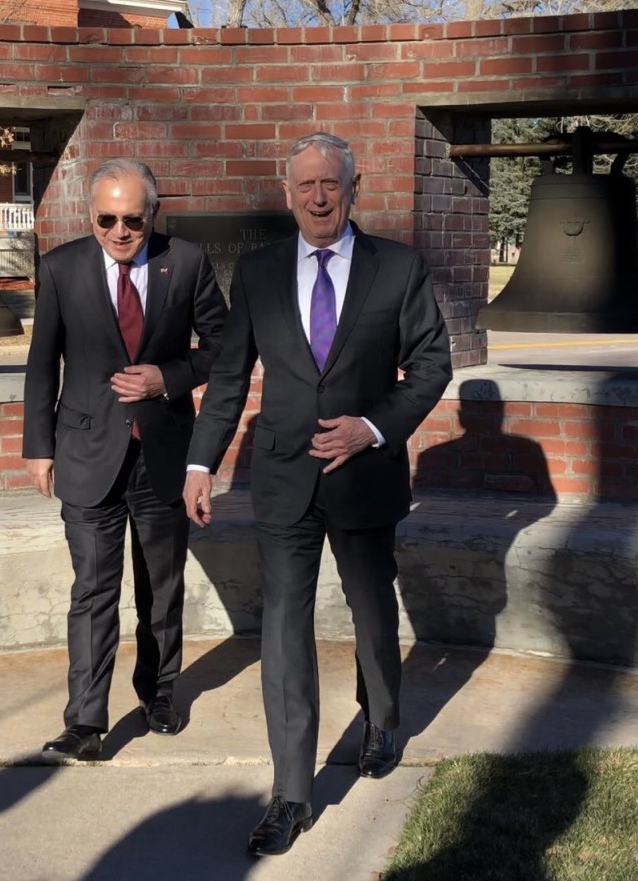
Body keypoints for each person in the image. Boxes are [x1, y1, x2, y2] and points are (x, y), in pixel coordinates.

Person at [183, 131, 452, 856]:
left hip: (365, 475)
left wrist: (372, 427)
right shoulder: (260, 272)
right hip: (281, 480)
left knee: (371, 614)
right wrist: (200, 464)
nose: (319, 196)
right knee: (282, 630)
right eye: (305, 185)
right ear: (288, 192)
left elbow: (431, 364)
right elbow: (231, 374)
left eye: (330, 182)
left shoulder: (398, 267)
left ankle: (382, 718)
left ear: (353, 186)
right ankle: (291, 795)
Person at [23, 158, 227, 761]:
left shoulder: (185, 263)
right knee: (92, 590)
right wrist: (38, 446)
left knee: (160, 587)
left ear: (152, 215)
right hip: (85, 455)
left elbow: (225, 348)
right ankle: (85, 722)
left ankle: (160, 693)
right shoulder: (61, 268)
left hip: (163, 454)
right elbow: (43, 362)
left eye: (132, 220)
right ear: (91, 217)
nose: (118, 231)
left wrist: (167, 377)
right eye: (106, 219)